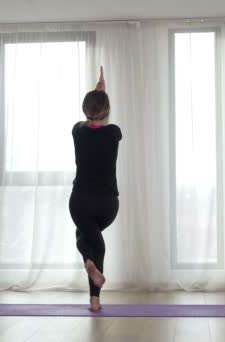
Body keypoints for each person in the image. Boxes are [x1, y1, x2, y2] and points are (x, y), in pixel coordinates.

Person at [69, 66, 122, 312]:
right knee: (92, 237)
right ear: (107, 112)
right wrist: (103, 94)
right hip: (107, 203)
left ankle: (90, 266)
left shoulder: (77, 132)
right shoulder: (114, 133)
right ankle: (95, 298)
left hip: (80, 202)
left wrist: (97, 95)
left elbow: (86, 121)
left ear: (85, 111)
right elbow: (102, 120)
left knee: (84, 236)